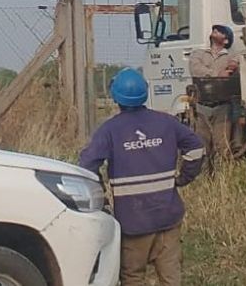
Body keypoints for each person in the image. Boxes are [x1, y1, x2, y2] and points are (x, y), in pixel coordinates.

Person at [80, 68, 204, 286]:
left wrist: (101, 199)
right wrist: (183, 177)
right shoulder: (167, 122)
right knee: (171, 278)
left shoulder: (110, 130)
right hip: (168, 217)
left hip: (133, 222)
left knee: (133, 277)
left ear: (116, 98)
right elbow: (196, 148)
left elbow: (87, 164)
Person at [188, 25, 240, 161]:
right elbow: (195, 69)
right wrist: (217, 73)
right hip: (201, 106)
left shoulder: (231, 56)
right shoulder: (198, 54)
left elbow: (237, 65)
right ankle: (205, 179)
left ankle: (223, 179)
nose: (215, 31)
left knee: (222, 147)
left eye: (221, 32)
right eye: (215, 30)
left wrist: (233, 65)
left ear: (226, 41)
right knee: (202, 147)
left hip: (222, 107)